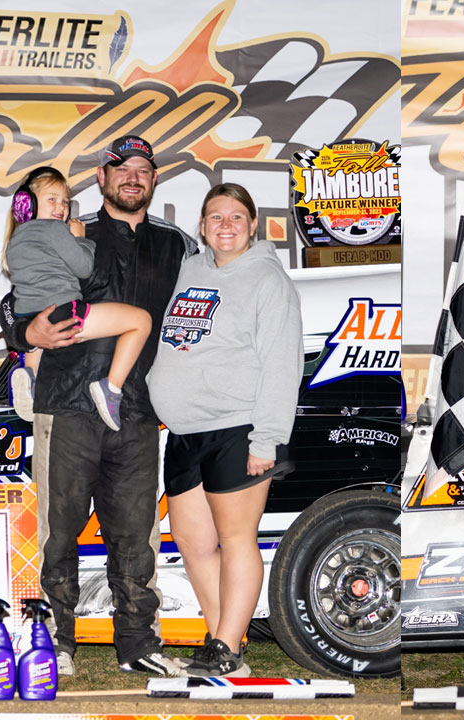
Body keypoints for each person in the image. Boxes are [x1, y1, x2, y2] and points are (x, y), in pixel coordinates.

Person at [0, 135, 196, 677]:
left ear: (153, 180)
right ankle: (54, 643)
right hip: (66, 405)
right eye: (122, 168)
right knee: (58, 533)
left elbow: (202, 317)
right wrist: (24, 331)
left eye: (143, 169)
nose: (132, 176)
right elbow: (16, 305)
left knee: (135, 537)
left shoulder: (177, 247)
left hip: (137, 411)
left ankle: (138, 646)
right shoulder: (69, 231)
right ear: (102, 178)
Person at [148, 183, 303, 677]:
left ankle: (226, 645)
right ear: (202, 226)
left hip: (238, 428)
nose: (226, 224)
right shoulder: (188, 270)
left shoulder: (268, 281)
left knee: (237, 538)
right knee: (193, 544)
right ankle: (224, 650)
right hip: (184, 431)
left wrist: (266, 440)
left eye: (237, 216)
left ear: (253, 225)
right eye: (216, 216)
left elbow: (283, 366)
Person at [1, 166, 151, 431]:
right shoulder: (58, 230)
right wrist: (81, 240)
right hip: (66, 315)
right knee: (141, 321)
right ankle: (111, 388)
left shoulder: (15, 241)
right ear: (27, 204)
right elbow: (82, 267)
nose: (61, 207)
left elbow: (16, 298)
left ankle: (30, 375)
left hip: (33, 315)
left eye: (65, 201)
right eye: (52, 200)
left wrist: (25, 334)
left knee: (37, 332)